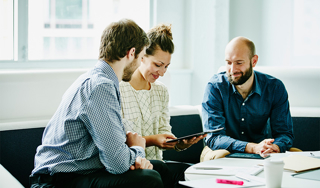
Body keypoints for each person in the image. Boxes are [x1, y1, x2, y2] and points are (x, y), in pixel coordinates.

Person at [30, 19, 173, 188]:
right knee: (149, 179)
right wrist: (138, 150)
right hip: (58, 180)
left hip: (82, 171)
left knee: (162, 170)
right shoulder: (100, 87)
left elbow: (115, 152)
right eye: (141, 57)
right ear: (131, 53)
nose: (138, 66)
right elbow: (117, 164)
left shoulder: (100, 80)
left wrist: (134, 156)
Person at [119, 23, 205, 188]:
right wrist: (152, 140)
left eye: (166, 66)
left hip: (158, 165)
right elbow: (115, 143)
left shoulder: (162, 91)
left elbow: (164, 132)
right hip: (133, 167)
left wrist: (180, 144)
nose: (162, 72)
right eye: (158, 65)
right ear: (141, 56)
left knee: (196, 175)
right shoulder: (120, 88)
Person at [200, 36, 297, 162]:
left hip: (262, 151)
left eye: (239, 63)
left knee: (297, 155)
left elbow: (284, 133)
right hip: (222, 150)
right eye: (228, 63)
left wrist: (275, 147)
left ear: (254, 61)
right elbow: (214, 138)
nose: (232, 70)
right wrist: (252, 147)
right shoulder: (215, 87)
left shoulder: (274, 88)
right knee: (220, 156)